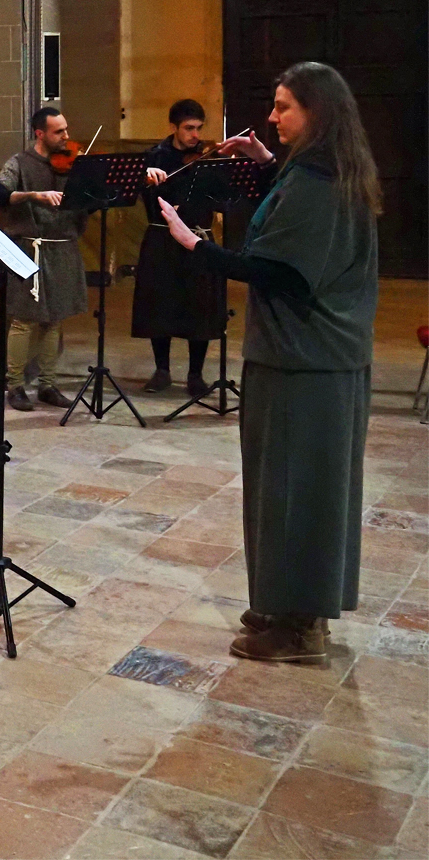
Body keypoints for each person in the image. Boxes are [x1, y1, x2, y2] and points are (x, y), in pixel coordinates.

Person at [159, 62, 379, 664]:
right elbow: (290, 229)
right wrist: (264, 168)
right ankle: (285, 604)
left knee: (300, 493)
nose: (273, 116)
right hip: (306, 358)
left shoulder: (316, 181)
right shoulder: (317, 170)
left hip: (306, 362)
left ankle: (300, 625)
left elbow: (279, 269)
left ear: (318, 112)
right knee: (285, 489)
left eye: (284, 107)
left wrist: (196, 246)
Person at [0, 108, 84, 411]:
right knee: (24, 320)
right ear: (40, 134)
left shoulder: (74, 166)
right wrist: (32, 195)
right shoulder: (19, 163)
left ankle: (48, 384)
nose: (66, 137)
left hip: (63, 248)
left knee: (54, 319)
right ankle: (15, 385)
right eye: (59, 132)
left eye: (66, 129)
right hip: (31, 248)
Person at [133, 99, 223, 396]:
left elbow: (222, 193)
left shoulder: (208, 157)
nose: (195, 135)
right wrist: (145, 178)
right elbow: (136, 190)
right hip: (162, 240)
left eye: (199, 128)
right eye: (188, 129)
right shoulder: (155, 157)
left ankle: (195, 374)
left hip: (198, 237)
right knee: (160, 303)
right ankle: (162, 370)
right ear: (173, 127)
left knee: (200, 305)